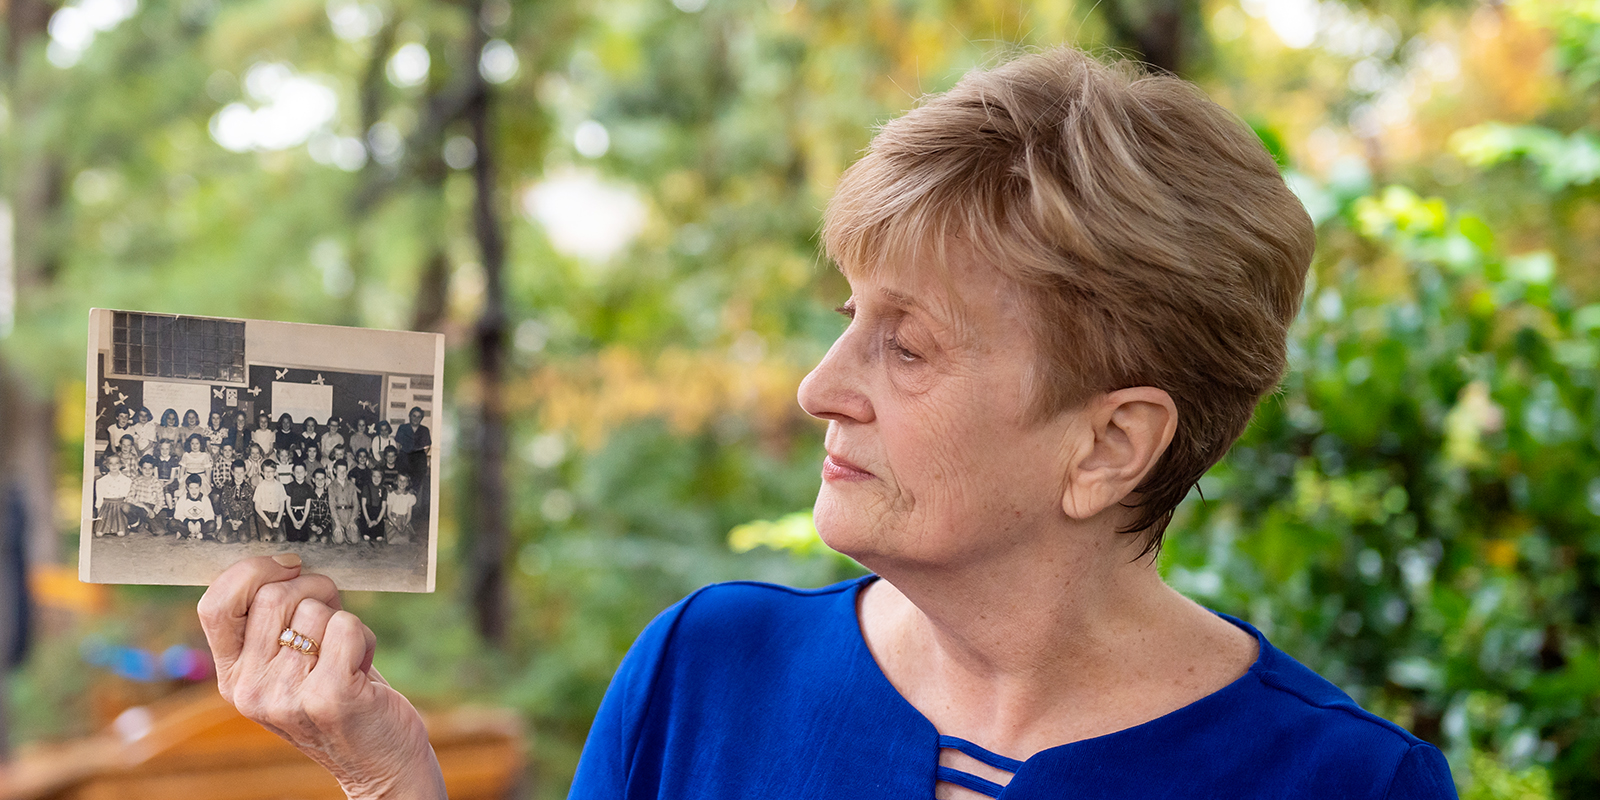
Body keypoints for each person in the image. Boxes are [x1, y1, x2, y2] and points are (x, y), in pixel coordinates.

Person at [196, 48, 1457, 800]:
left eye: (904, 344)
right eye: (848, 313)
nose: (819, 383)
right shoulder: (703, 666)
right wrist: (385, 771)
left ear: (1110, 444)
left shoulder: (1350, 784)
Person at [92, 455, 134, 537]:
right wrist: (99, 517)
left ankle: (124, 526)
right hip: (106, 508)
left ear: (121, 465)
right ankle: (106, 528)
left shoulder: (127, 481)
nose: (114, 466)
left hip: (120, 507)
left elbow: (127, 500)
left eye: (117, 463)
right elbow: (99, 499)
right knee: (99, 534)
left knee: (120, 534)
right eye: (111, 463)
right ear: (107, 466)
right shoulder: (101, 481)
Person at [126, 455, 168, 535]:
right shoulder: (136, 481)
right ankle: (135, 523)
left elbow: (161, 501)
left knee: (160, 532)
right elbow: (129, 498)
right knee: (125, 506)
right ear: (141, 469)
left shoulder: (157, 483)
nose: (147, 471)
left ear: (153, 469)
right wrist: (143, 506)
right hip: (139, 508)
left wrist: (154, 512)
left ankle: (146, 524)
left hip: (151, 508)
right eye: (145, 468)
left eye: (150, 468)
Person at [172, 474, 217, 541]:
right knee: (172, 523)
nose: (194, 491)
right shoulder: (182, 498)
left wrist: (200, 522)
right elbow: (177, 514)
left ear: (200, 487)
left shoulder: (205, 499)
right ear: (187, 488)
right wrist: (188, 523)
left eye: (196, 488)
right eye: (191, 488)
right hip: (187, 523)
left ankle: (187, 534)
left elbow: (210, 515)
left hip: (201, 523)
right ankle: (198, 535)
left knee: (212, 525)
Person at [252, 460, 287, 543]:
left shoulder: (280, 486)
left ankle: (274, 531)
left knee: (281, 539)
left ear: (275, 473)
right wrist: (266, 520)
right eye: (266, 471)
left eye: (271, 471)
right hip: (264, 515)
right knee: (266, 539)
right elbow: (257, 507)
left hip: (276, 514)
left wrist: (278, 520)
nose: (268, 474)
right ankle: (265, 532)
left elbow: (282, 505)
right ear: (262, 473)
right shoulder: (260, 487)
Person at [220, 460, 255, 544]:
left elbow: (250, 507)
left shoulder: (248, 488)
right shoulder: (227, 487)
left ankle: (240, 533)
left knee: (244, 539)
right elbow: (223, 504)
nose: (239, 475)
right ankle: (234, 533)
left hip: (242, 519)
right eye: (236, 473)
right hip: (230, 518)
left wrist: (241, 520)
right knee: (222, 538)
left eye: (241, 473)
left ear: (245, 472)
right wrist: (230, 519)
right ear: (232, 472)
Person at [395, 407, 431, 484]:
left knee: (416, 485)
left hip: (418, 462)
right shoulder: (403, 428)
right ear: (410, 416)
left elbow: (427, 446)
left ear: (421, 418)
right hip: (405, 459)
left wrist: (419, 456)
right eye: (414, 416)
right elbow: (398, 444)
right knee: (403, 482)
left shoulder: (424, 430)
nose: (416, 419)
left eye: (419, 417)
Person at [329, 460, 359, 545]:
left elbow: (356, 504)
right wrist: (337, 524)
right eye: (339, 471)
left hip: (349, 515)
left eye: (344, 471)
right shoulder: (331, 486)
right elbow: (332, 506)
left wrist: (352, 520)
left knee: (354, 540)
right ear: (335, 471)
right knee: (339, 541)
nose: (342, 473)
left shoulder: (351, 485)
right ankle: (334, 530)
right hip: (338, 515)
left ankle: (348, 532)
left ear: (347, 471)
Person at [284, 461, 315, 544]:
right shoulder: (289, 486)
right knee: (292, 538)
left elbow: (307, 506)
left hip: (303, 514)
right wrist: (294, 521)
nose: (299, 474)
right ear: (293, 473)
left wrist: (303, 520)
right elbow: (287, 506)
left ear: (305, 473)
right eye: (297, 472)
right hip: (291, 514)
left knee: (304, 538)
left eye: (301, 472)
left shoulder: (309, 487)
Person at [383, 472, 416, 545]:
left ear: (407, 483)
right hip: (393, 521)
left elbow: (409, 514)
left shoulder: (410, 497)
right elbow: (388, 513)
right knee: (392, 541)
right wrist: (395, 525)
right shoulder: (391, 495)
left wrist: (405, 524)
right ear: (396, 482)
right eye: (400, 480)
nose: (402, 482)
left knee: (405, 540)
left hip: (404, 521)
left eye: (404, 480)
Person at [357, 465, 386, 543]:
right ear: (371, 477)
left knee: (379, 537)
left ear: (382, 478)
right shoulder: (366, 487)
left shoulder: (384, 489)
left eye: (379, 477)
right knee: (366, 535)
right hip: (367, 513)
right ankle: (366, 531)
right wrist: (368, 520)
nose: (376, 479)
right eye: (374, 476)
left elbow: (383, 507)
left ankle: (377, 530)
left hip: (378, 514)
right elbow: (363, 505)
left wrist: (377, 521)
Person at [306, 467, 334, 544]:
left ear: (325, 480)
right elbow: (308, 513)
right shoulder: (310, 494)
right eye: (317, 479)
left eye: (322, 479)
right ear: (313, 480)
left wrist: (322, 527)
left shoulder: (328, 495)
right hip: (313, 524)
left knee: (324, 540)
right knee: (312, 539)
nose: (320, 481)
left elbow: (329, 513)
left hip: (324, 524)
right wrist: (312, 525)